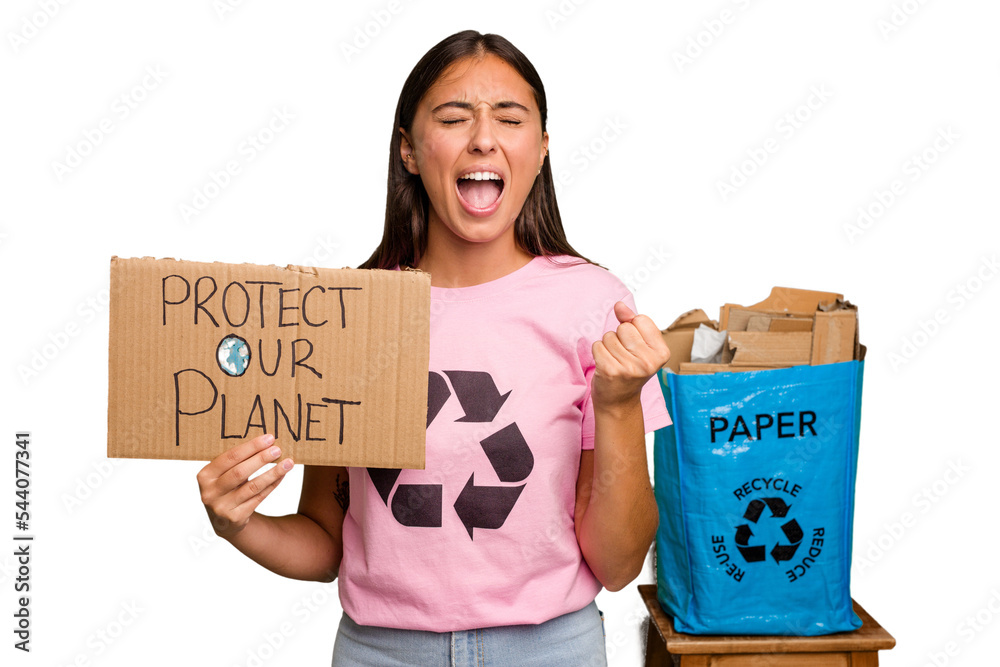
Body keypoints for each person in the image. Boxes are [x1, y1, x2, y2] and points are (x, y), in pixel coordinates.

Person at [196, 30, 672, 666]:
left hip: (550, 650)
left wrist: (617, 405)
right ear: (410, 151)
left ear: (542, 148)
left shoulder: (594, 305)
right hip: (380, 653)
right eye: (453, 117)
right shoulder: (350, 312)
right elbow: (322, 544)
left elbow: (616, 565)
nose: (483, 136)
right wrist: (238, 525)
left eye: (510, 117)